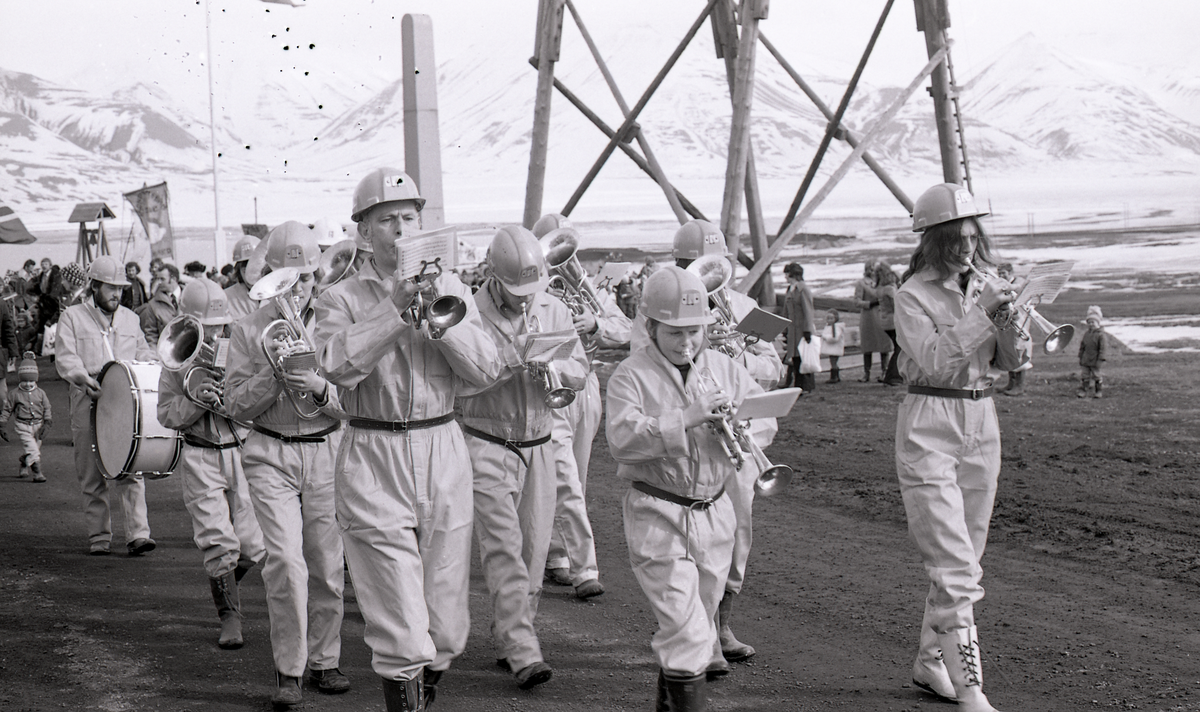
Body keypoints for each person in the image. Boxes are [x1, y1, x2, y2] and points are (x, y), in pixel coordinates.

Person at [314, 168, 504, 711]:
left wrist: (442, 319)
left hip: (443, 445)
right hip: (374, 453)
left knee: (445, 624)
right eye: (387, 220)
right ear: (363, 233)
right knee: (399, 619)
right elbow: (335, 367)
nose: (400, 229)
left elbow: (486, 372)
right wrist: (396, 310)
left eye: (408, 218)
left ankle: (426, 689)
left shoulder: (452, 287)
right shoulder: (341, 298)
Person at [607, 266, 775, 712]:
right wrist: (686, 417)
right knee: (688, 632)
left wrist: (746, 427)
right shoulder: (630, 376)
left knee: (693, 626)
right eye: (675, 333)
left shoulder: (723, 366)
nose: (686, 344)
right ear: (651, 326)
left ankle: (671, 693)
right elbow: (622, 441)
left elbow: (766, 417)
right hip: (657, 512)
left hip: (716, 511)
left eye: (695, 332)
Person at [895, 183, 1027, 711]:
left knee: (967, 556)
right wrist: (981, 315)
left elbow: (1011, 363)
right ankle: (972, 691)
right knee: (954, 565)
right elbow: (933, 361)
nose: (968, 248)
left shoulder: (984, 287)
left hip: (981, 416)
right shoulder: (911, 296)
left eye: (974, 237)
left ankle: (931, 663)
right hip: (930, 419)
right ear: (934, 241)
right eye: (957, 239)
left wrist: (1010, 322)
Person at [630, 220, 784, 668]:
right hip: (689, 441)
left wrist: (737, 355)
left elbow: (773, 368)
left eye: (714, 268)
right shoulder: (655, 311)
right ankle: (700, 635)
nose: (704, 277)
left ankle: (722, 623)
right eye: (693, 266)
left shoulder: (746, 306)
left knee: (738, 534)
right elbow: (646, 366)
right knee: (690, 541)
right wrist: (695, 347)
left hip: (743, 437)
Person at [224, 222, 349, 708]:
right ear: (271, 274)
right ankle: (289, 670)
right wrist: (273, 376)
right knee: (286, 565)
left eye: (306, 276)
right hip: (270, 452)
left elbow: (352, 401)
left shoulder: (335, 323)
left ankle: (326, 659)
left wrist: (316, 383)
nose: (298, 287)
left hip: (324, 448)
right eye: (288, 276)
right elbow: (236, 405)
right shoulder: (247, 329)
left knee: (326, 563)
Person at [459, 225, 589, 690]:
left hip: (541, 442)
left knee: (534, 551)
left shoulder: (553, 305)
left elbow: (581, 369)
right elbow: (459, 382)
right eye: (516, 292)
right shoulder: (469, 313)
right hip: (487, 442)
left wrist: (556, 369)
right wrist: (509, 364)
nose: (523, 301)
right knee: (503, 550)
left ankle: (512, 634)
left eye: (529, 291)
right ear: (493, 275)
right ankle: (522, 649)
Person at [156, 278, 265, 651]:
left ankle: (225, 584)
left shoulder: (243, 349)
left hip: (243, 450)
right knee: (217, 540)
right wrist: (195, 401)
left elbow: (258, 402)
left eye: (220, 325)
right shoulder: (174, 361)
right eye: (207, 326)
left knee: (253, 544)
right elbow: (166, 414)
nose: (215, 333)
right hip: (200, 453)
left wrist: (232, 401)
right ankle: (229, 615)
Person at [532, 214, 630, 602]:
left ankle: (557, 557)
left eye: (566, 250)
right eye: (553, 251)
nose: (562, 261)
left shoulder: (592, 289)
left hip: (586, 386)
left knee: (579, 478)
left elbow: (629, 331)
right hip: (550, 385)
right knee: (565, 478)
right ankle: (585, 568)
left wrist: (595, 324)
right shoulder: (534, 289)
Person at [54, 256, 158, 556]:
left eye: (120, 288)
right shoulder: (71, 317)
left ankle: (139, 535)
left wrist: (153, 361)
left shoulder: (131, 318)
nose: (117, 293)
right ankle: (99, 537)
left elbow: (142, 351)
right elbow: (66, 357)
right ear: (94, 286)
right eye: (111, 287)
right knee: (91, 473)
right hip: (85, 400)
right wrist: (81, 377)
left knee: (131, 467)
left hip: (124, 404)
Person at [1, 352, 51, 482]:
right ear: (20, 379)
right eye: (25, 381)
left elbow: (47, 408)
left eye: (31, 381)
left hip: (38, 425)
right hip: (23, 426)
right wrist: (2, 424)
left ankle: (24, 461)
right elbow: (7, 410)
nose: (28, 384)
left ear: (36, 380)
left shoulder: (41, 393)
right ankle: (37, 473)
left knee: (33, 450)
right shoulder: (14, 394)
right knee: (33, 450)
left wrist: (47, 422)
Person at [994, 263, 1032, 397]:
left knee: (1019, 349)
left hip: (1019, 319)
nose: (1001, 275)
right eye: (999, 272)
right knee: (1009, 349)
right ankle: (1011, 383)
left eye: (1003, 273)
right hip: (1007, 320)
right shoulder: (1002, 284)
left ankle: (1020, 386)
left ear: (1011, 273)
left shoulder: (1019, 283)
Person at [782, 262, 815, 393]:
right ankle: (799, 385)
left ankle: (806, 386)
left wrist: (808, 330)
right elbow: (786, 311)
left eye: (787, 274)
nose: (785, 277)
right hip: (792, 330)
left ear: (794, 275)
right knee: (795, 358)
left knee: (804, 357)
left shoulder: (803, 290)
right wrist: (784, 329)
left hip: (801, 330)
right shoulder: (790, 289)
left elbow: (808, 311)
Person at [856, 259, 891, 382]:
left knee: (884, 345)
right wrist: (870, 303)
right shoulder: (861, 283)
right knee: (867, 346)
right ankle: (866, 373)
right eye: (870, 269)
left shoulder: (882, 283)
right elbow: (857, 301)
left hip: (881, 316)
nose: (872, 272)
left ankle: (884, 372)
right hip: (868, 317)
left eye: (874, 269)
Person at [137, 264, 180, 347]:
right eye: (157, 279)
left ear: (174, 279)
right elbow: (151, 335)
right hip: (165, 355)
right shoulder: (152, 305)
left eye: (162, 279)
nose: (158, 282)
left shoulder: (190, 297)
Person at [877, 263, 904, 386]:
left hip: (884, 321)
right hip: (892, 321)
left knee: (897, 347)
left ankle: (892, 375)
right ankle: (892, 376)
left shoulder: (880, 289)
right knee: (900, 347)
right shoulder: (890, 289)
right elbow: (897, 305)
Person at [225, 236, 261, 322]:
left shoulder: (276, 295)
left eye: (255, 270)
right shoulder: (225, 297)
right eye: (244, 270)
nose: (249, 277)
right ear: (239, 270)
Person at [1077, 305, 1106, 398]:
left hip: (1095, 360)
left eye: (1093, 322)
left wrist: (1100, 360)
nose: (1091, 324)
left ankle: (1098, 391)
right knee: (1085, 376)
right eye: (1089, 322)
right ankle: (1083, 391)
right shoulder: (1086, 334)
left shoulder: (1101, 335)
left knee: (1097, 376)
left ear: (1098, 323)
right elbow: (1082, 346)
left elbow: (1103, 349)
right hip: (1086, 359)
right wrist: (1080, 356)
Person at [820, 309, 845, 384]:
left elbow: (834, 338)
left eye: (831, 318)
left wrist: (825, 337)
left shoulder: (835, 327)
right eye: (828, 318)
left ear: (836, 319)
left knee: (833, 362)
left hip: (835, 348)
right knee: (833, 362)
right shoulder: (829, 327)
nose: (829, 320)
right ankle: (836, 376)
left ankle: (834, 377)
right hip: (833, 348)